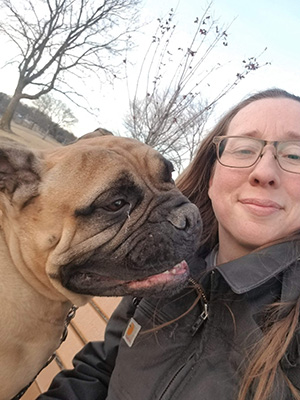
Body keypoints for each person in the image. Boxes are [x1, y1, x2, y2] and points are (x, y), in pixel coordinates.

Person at [36, 88, 300, 400]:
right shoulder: (161, 260)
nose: (264, 172)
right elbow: (103, 368)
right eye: (243, 150)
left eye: (295, 154)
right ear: (211, 175)